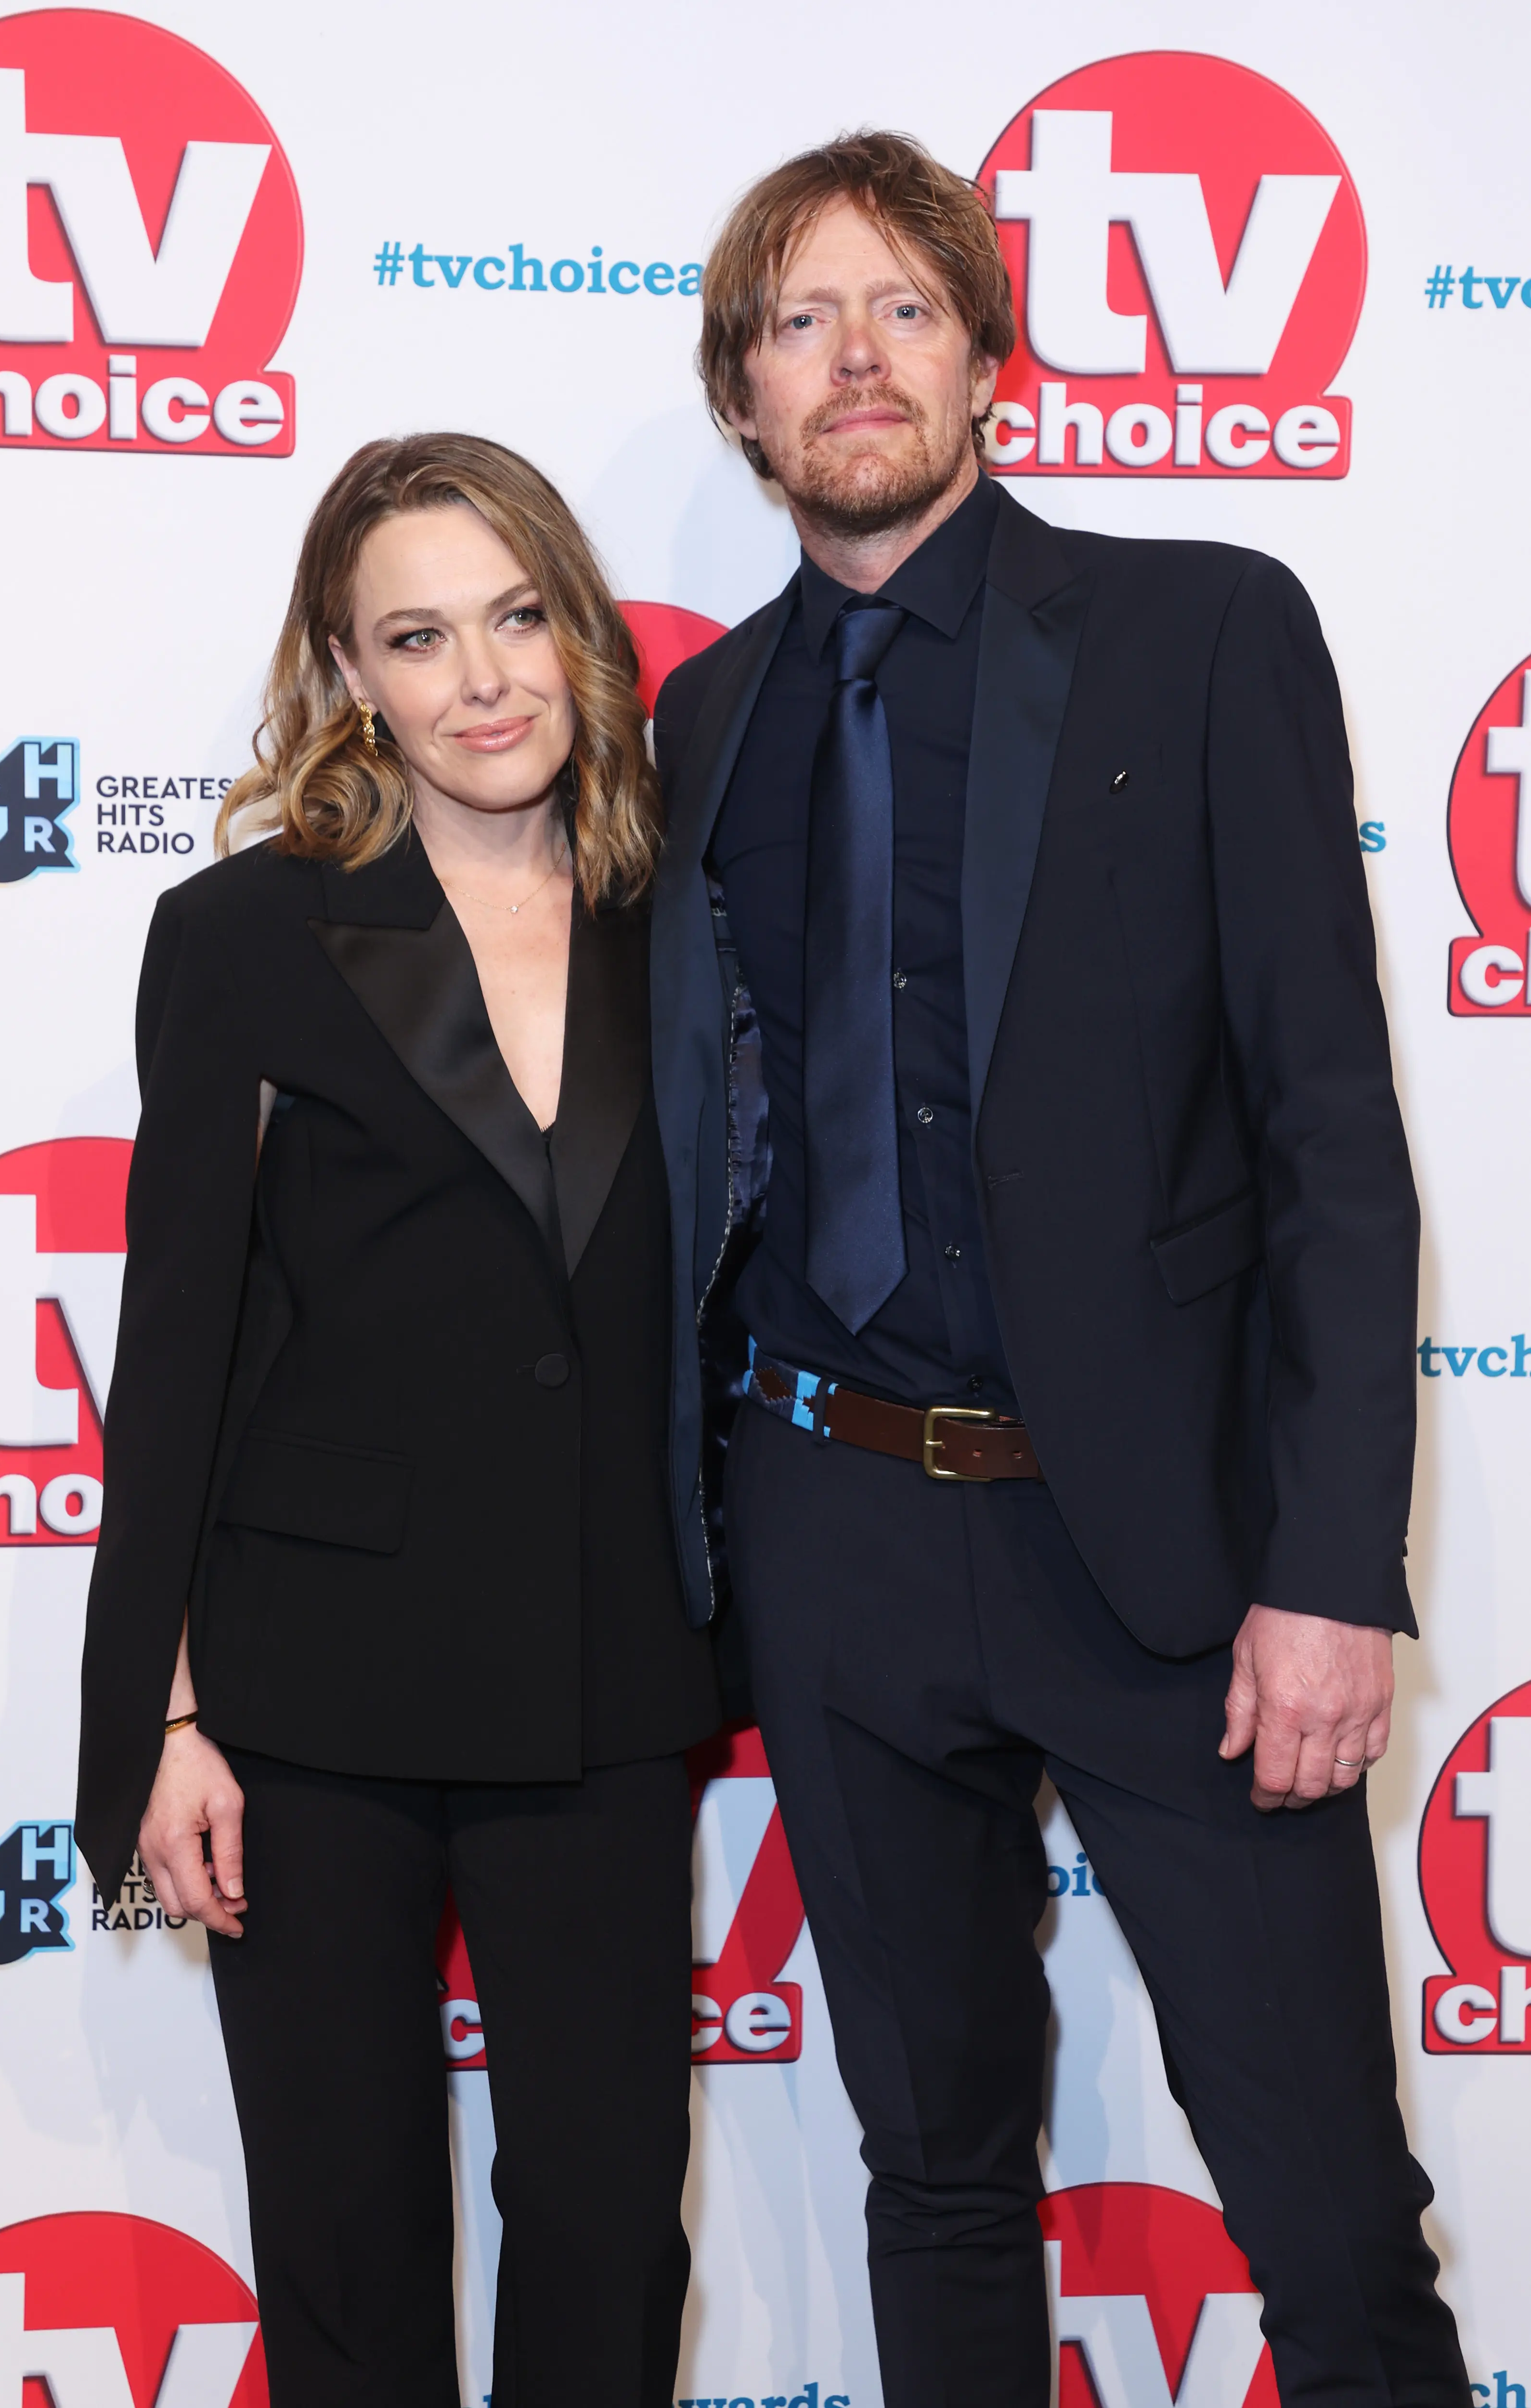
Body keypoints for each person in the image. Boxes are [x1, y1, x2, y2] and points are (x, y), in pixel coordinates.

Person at [648, 132, 1470, 2408]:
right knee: (929, 2172)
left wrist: (1328, 1572)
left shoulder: (1202, 629)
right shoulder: (700, 727)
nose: (854, 360)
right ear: (741, 394)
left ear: (988, 359)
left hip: (1177, 1570)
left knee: (1317, 2199)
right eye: (799, 321)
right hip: (834, 1540)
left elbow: (1330, 1136)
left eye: (903, 308)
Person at [75, 433, 720, 2408]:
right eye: (419, 637)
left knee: (610, 2222)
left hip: (606, 1677)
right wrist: (163, 1716)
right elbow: (177, 1343)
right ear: (350, 672)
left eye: (517, 616)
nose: (484, 679)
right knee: (348, 2236)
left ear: (579, 630)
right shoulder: (249, 931)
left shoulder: (678, 915)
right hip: (311, 1698)